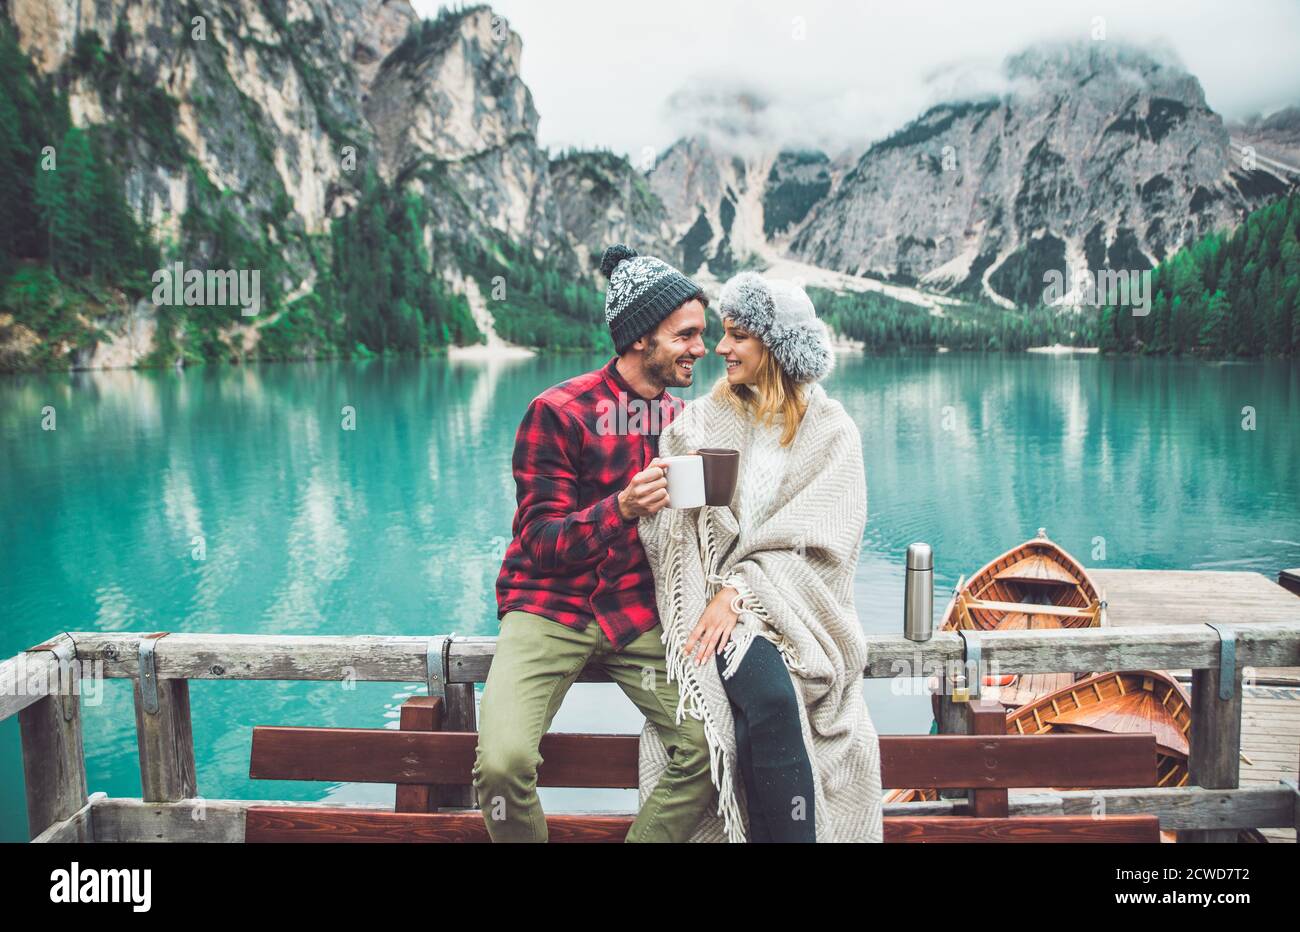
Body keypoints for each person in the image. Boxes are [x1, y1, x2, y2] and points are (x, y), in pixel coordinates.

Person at [473, 244, 717, 842]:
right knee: (502, 767)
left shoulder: (687, 421)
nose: (701, 349)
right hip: (548, 609)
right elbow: (538, 540)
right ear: (640, 338)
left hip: (635, 615)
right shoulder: (557, 412)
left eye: (702, 335)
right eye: (686, 336)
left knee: (710, 747)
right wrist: (621, 508)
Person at [636, 271, 884, 843]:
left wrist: (742, 591)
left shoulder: (832, 432)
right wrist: (665, 497)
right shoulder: (701, 420)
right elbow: (675, 534)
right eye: (722, 333)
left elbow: (826, 545)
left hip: (795, 611)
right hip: (710, 610)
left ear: (776, 346)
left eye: (739, 335)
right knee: (769, 698)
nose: (720, 348)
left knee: (770, 706)